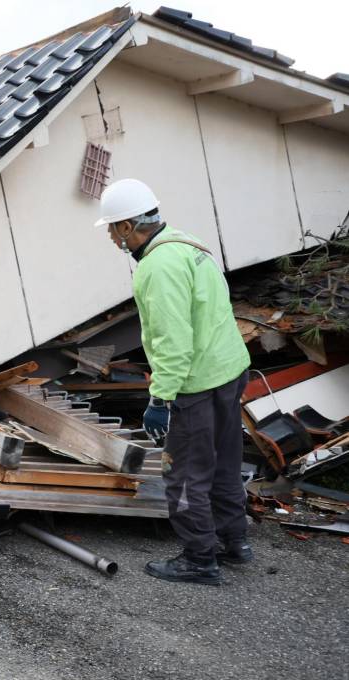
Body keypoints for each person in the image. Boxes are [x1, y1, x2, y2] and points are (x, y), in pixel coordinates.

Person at [95, 179, 251, 586]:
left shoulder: (157, 268)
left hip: (196, 384)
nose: (112, 238)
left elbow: (173, 342)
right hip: (229, 371)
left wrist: (160, 398)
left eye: (113, 229)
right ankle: (235, 541)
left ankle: (199, 558)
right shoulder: (190, 246)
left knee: (183, 475)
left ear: (129, 227)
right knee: (225, 463)